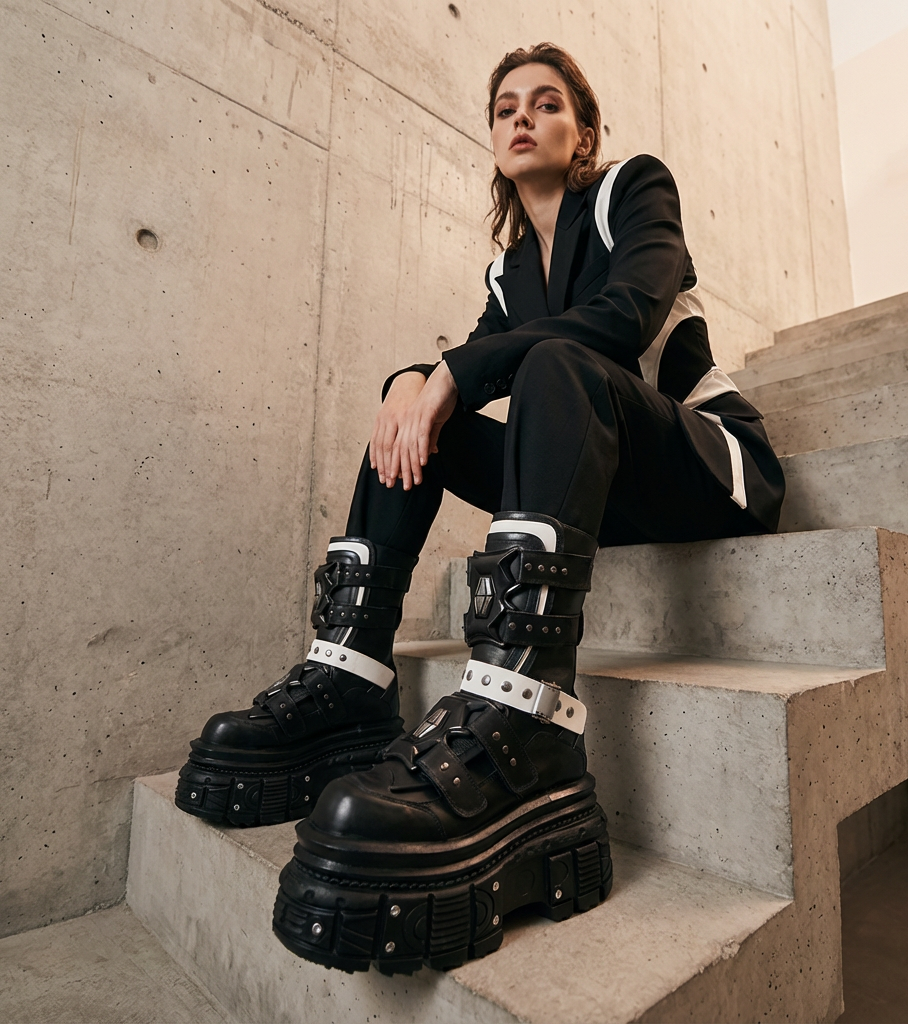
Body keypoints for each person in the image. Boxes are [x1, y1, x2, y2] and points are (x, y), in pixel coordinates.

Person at [176, 42, 784, 974]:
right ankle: (348, 679)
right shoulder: (509, 273)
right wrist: (410, 382)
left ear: (584, 132)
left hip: (707, 469)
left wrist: (452, 372)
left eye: (547, 103)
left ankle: (526, 715)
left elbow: (624, 317)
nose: (522, 117)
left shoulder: (633, 191)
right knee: (416, 418)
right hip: (608, 493)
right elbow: (467, 365)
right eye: (506, 107)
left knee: (554, 363)